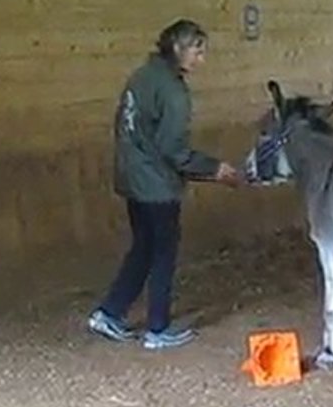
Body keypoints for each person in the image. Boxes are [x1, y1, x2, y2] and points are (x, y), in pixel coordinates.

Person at [87, 19, 240, 350]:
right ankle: (157, 327)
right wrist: (214, 169)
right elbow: (173, 149)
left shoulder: (141, 77)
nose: (201, 60)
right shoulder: (172, 92)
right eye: (197, 52)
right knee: (163, 253)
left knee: (143, 246)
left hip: (131, 176)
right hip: (156, 185)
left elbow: (126, 126)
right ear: (178, 49)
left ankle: (110, 312)